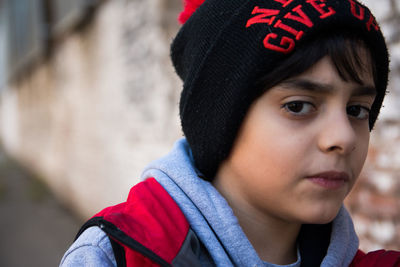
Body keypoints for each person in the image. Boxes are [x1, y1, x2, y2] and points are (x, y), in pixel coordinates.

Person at [60, 0, 400, 266]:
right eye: (298, 106)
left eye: (357, 110)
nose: (343, 137)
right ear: (218, 121)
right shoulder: (117, 257)